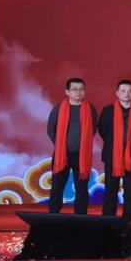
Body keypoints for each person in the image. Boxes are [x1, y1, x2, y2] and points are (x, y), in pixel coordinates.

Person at [47, 78, 97, 214]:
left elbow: (92, 130)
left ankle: (80, 216)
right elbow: (51, 129)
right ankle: (53, 214)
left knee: (82, 188)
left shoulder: (90, 109)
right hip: (62, 154)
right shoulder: (58, 109)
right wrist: (61, 146)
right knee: (57, 186)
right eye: (75, 89)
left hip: (82, 155)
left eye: (81, 89)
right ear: (67, 92)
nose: (78, 92)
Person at [99, 80, 131, 221]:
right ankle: (108, 218)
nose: (126, 94)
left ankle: (128, 218)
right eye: (123, 91)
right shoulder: (107, 111)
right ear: (117, 93)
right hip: (112, 155)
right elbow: (103, 131)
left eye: (129, 91)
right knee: (111, 188)